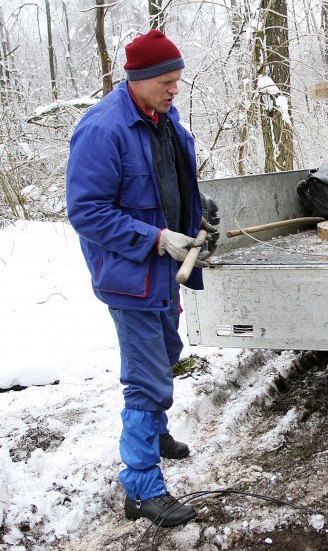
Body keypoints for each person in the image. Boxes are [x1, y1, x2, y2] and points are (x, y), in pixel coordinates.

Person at [66, 29, 218, 527]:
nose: (176, 89)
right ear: (141, 79)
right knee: (146, 382)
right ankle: (141, 487)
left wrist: (197, 211)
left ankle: (153, 433)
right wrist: (156, 239)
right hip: (131, 277)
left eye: (178, 80)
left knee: (169, 355)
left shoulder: (162, 119)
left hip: (163, 273)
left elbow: (170, 180)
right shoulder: (103, 130)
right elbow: (87, 212)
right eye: (168, 81)